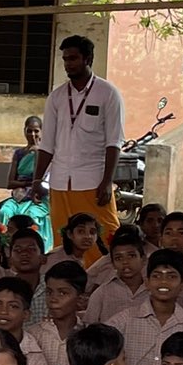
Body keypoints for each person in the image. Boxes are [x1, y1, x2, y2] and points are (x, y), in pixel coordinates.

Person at [28, 36, 120, 260]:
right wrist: (37, 180)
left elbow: (114, 142)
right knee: (64, 241)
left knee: (105, 238)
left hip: (93, 180)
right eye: (65, 59)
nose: (68, 63)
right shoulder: (57, 97)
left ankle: (103, 288)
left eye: (73, 58)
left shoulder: (108, 93)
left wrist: (107, 181)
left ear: (88, 58)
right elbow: (47, 143)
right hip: (59, 183)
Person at [0, 115, 52, 246]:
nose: (32, 134)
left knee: (31, 216)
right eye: (29, 131)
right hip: (18, 197)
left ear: (42, 132)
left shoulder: (47, 154)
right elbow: (10, 183)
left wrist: (38, 153)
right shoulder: (19, 154)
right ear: (24, 131)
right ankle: (7, 246)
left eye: (36, 131)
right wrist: (29, 183)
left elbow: (46, 180)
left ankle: (34, 246)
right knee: (5, 212)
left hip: (39, 198)